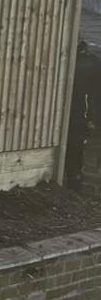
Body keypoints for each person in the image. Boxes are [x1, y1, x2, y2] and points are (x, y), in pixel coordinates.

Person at [66, 39, 101, 189]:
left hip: (78, 112)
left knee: (74, 144)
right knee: (77, 145)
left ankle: (74, 180)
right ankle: (75, 180)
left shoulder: (86, 63)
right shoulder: (92, 61)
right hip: (82, 113)